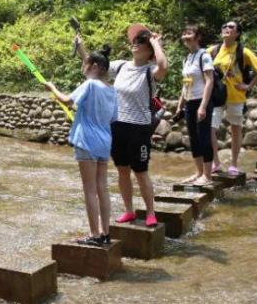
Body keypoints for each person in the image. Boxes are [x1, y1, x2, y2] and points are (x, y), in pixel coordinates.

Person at [81, 24, 168, 227]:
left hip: (139, 127)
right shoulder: (120, 66)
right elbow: (94, 66)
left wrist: (156, 42)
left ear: (150, 51)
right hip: (117, 125)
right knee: (122, 170)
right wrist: (81, 47)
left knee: (140, 171)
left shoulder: (150, 71)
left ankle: (150, 213)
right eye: (136, 41)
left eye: (142, 43)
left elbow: (164, 67)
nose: (136, 45)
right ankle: (129, 210)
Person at [45, 39, 118, 246]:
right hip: (105, 143)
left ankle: (94, 235)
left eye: (84, 65)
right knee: (102, 188)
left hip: (86, 141)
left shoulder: (90, 84)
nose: (82, 68)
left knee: (89, 190)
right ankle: (105, 233)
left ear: (95, 67)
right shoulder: (112, 90)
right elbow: (111, 118)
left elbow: (67, 100)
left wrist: (51, 87)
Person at [209, 21, 257, 176]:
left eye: (231, 27)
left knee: (235, 129)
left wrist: (249, 86)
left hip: (236, 96)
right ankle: (215, 163)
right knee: (209, 128)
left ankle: (234, 164)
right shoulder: (213, 51)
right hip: (216, 96)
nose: (226, 29)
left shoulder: (243, 51)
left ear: (237, 34)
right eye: (224, 27)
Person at [176, 25, 215, 186]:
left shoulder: (203, 56)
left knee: (204, 137)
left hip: (201, 101)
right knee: (193, 138)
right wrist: (180, 105)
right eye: (184, 33)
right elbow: (186, 84)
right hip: (189, 102)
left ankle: (207, 175)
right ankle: (198, 172)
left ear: (198, 36)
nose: (186, 36)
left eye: (189, 33)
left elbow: (209, 81)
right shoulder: (187, 58)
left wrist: (203, 106)